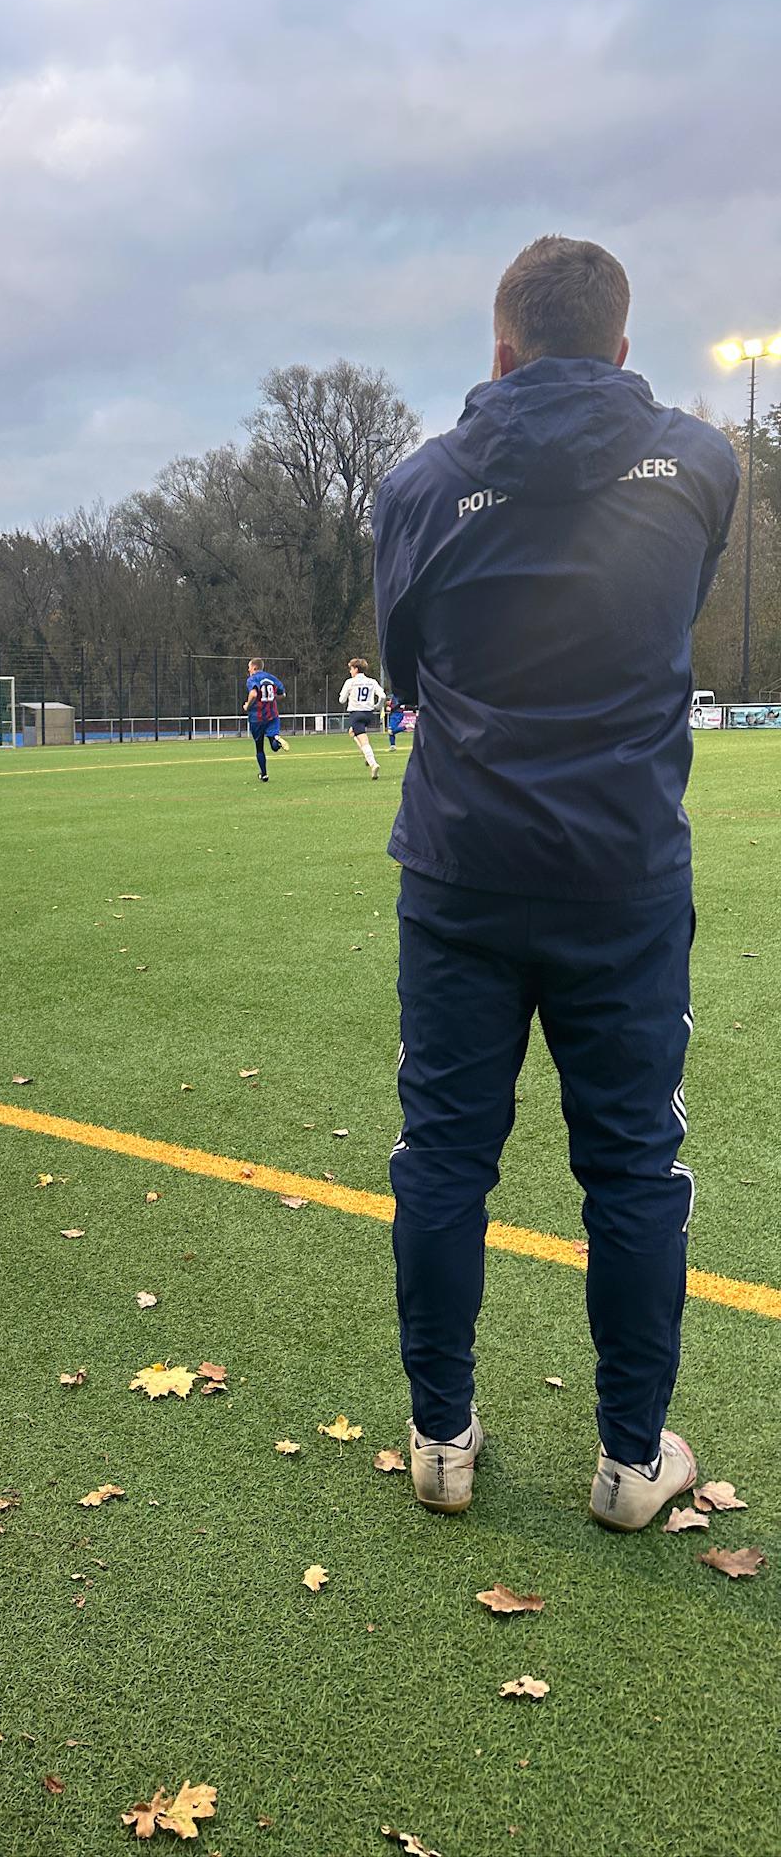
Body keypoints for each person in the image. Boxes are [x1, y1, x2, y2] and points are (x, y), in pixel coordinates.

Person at [373, 234, 739, 1529]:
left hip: (464, 872)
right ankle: (633, 1463)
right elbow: (669, 605)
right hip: (622, 876)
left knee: (445, 1159)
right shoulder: (702, 461)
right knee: (634, 1170)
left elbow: (408, 674)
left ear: (500, 348)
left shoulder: (418, 488)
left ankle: (439, 1440)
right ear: (623, 350)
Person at [337, 658, 385, 776]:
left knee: (364, 741)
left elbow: (341, 700)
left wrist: (347, 695)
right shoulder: (372, 681)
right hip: (369, 714)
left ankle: (373, 764)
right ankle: (367, 757)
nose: (350, 672)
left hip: (356, 714)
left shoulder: (350, 682)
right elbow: (383, 696)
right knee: (352, 732)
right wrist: (377, 706)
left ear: (356, 669)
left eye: (351, 669)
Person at [242, 657, 288, 779]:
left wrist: (247, 705)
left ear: (255, 668)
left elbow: (253, 693)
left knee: (259, 747)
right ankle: (276, 740)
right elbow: (283, 694)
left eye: (249, 668)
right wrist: (272, 698)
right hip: (272, 716)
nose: (248, 670)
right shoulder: (272, 678)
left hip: (257, 718)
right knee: (274, 745)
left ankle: (264, 774)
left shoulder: (252, 679)